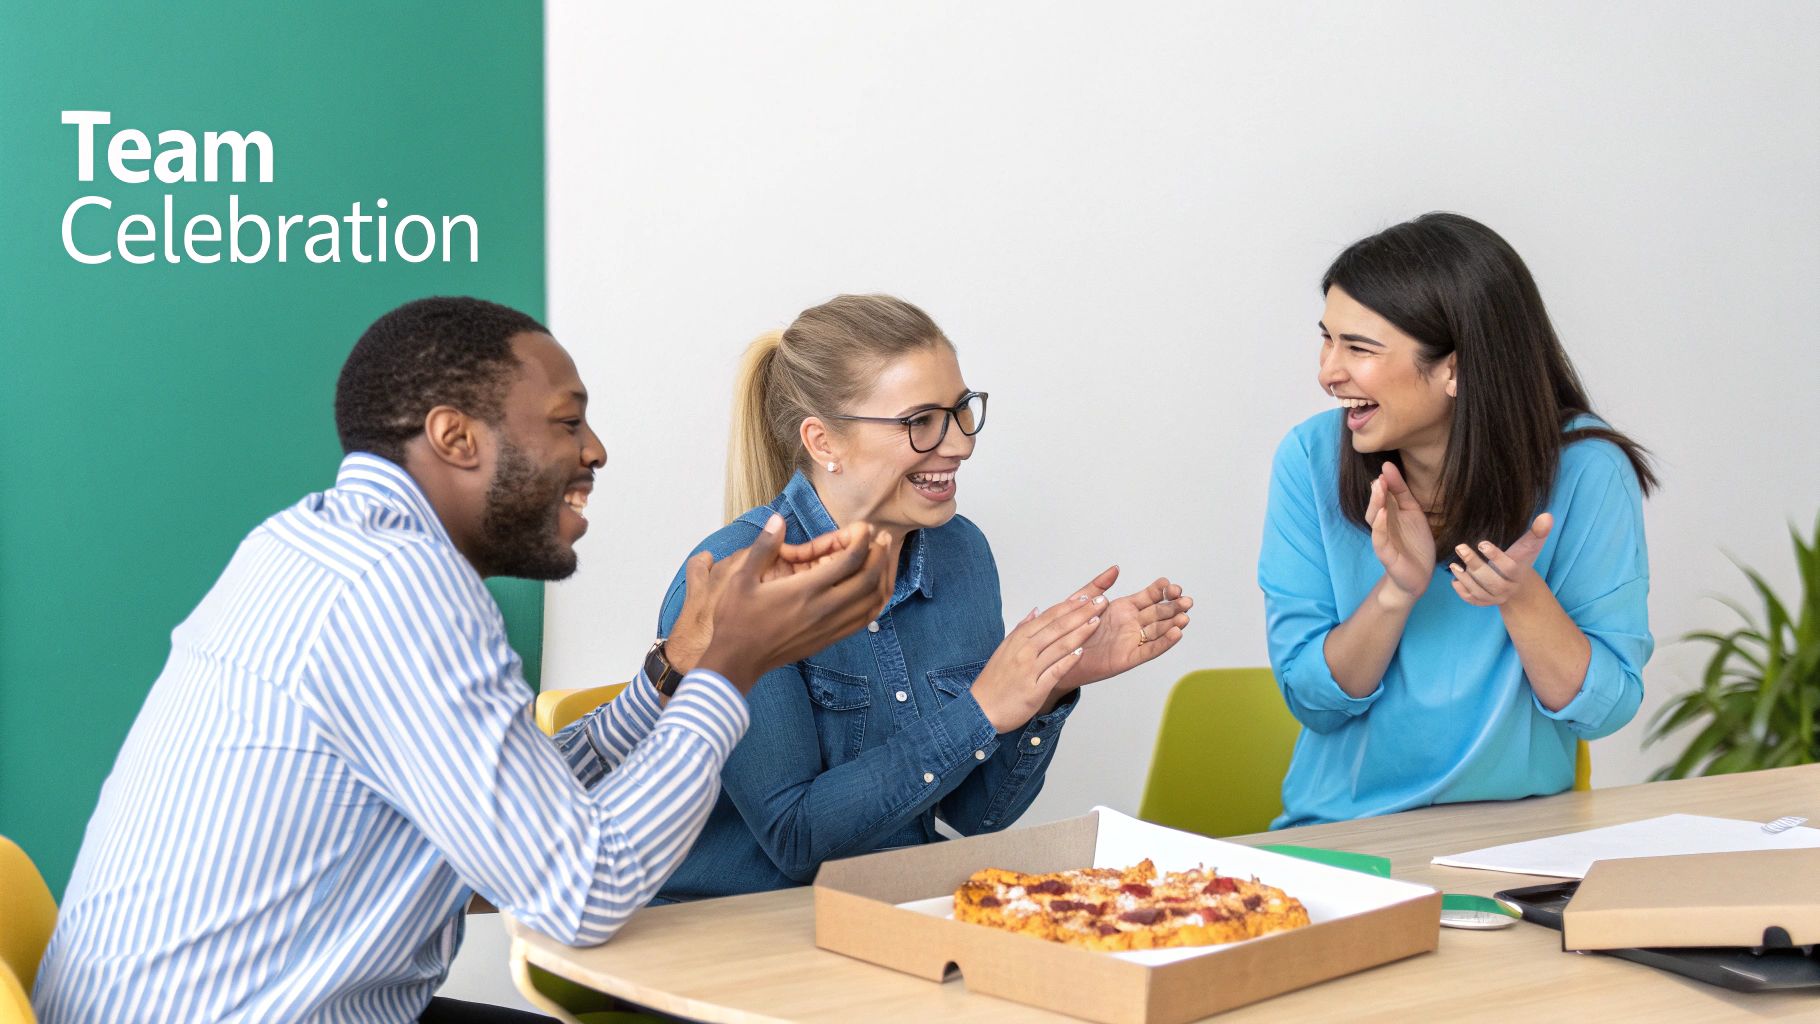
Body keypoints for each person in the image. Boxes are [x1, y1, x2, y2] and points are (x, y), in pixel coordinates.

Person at [33, 297, 895, 1024]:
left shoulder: (321, 544)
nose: (594, 451)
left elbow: (520, 806)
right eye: (566, 421)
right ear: (453, 436)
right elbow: (581, 894)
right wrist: (731, 670)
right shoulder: (396, 590)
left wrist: (675, 670)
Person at [650, 294, 1193, 901]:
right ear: (823, 442)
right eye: (921, 421)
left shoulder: (961, 553)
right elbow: (796, 842)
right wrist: (982, 709)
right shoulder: (738, 579)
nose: (959, 444)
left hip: (895, 910)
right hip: (742, 931)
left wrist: (1051, 682)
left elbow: (976, 816)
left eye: (962, 411)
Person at [1259, 213, 1656, 828]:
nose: (1328, 371)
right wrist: (1397, 592)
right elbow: (1314, 703)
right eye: (1327, 338)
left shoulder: (1587, 470)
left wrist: (1520, 597)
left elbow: (1603, 711)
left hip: (1524, 842)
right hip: (1349, 837)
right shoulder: (1309, 459)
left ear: (1456, 367)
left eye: (1359, 347)